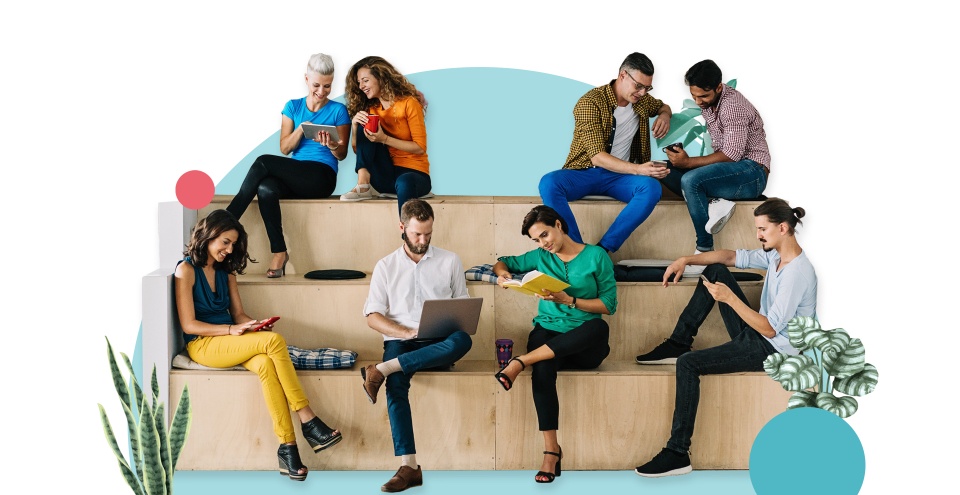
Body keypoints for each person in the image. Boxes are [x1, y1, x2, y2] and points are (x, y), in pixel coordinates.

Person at [633, 198, 816, 477]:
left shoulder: (797, 274)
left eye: (762, 229)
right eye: (757, 229)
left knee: (688, 364)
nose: (758, 235)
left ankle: (677, 453)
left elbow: (769, 329)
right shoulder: (775, 256)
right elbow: (729, 257)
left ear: (782, 228)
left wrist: (729, 298)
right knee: (715, 271)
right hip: (759, 335)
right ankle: (679, 340)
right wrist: (686, 259)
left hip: (774, 351)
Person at [174, 210, 342, 482]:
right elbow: (189, 325)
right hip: (203, 344)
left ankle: (287, 448)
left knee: (266, 363)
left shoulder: (225, 272)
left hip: (231, 338)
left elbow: (238, 313)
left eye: (232, 244)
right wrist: (232, 330)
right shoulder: (185, 270)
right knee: (274, 342)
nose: (229, 250)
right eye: (225, 242)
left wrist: (253, 325)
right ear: (209, 235)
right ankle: (308, 418)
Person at [492, 205, 617, 483]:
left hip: (585, 343)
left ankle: (520, 361)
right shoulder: (539, 256)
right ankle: (551, 452)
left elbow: (608, 305)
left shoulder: (596, 256)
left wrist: (570, 300)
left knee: (598, 326)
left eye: (544, 235)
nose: (543, 243)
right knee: (544, 368)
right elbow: (502, 261)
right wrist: (502, 275)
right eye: (536, 240)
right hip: (548, 333)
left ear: (559, 225)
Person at [359, 199, 473, 492]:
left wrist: (455, 320)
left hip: (439, 338)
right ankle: (409, 467)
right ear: (402, 228)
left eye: (428, 234)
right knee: (397, 386)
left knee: (462, 340)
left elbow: (462, 305)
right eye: (416, 234)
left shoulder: (450, 260)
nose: (422, 241)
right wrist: (404, 331)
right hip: (400, 339)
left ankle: (381, 369)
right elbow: (372, 316)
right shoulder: (385, 266)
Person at [226, 53, 350, 278]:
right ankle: (280, 252)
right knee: (265, 188)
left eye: (327, 86)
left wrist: (332, 144)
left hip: (321, 177)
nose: (321, 92)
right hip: (295, 175)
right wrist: (302, 129)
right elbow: (285, 148)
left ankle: (225, 220)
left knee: (263, 162)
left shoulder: (338, 111)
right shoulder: (292, 107)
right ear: (306, 79)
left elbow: (341, 154)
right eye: (316, 85)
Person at [538, 52, 672, 253]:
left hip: (620, 177)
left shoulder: (641, 100)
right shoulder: (590, 102)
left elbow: (663, 106)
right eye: (639, 86)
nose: (643, 93)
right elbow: (597, 156)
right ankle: (576, 251)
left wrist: (664, 115)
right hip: (585, 172)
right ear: (623, 75)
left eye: (647, 87)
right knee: (549, 183)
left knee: (651, 188)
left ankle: (602, 250)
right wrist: (639, 169)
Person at [660, 59, 771, 268]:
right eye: (694, 96)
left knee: (691, 179)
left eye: (703, 96)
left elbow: (731, 154)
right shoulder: (710, 104)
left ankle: (704, 249)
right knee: (664, 168)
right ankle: (715, 201)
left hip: (752, 173)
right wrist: (682, 161)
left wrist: (689, 162)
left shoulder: (732, 106)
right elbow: (721, 151)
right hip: (733, 170)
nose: (698, 101)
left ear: (719, 87)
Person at [342, 56, 431, 215]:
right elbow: (360, 151)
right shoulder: (372, 109)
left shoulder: (409, 103)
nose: (361, 86)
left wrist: (385, 139)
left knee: (404, 181)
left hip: (414, 176)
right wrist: (355, 126)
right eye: (359, 82)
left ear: (380, 78)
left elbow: (420, 147)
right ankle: (363, 185)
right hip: (386, 177)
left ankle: (406, 237)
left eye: (365, 80)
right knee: (364, 125)